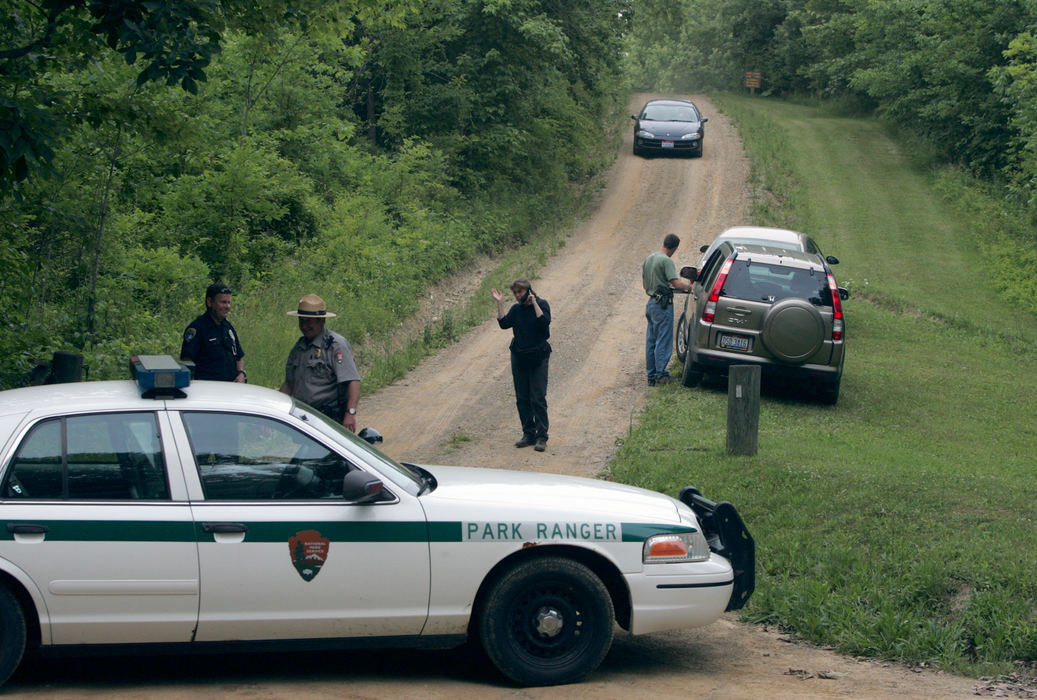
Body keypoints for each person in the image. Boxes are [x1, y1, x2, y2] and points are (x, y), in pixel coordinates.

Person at [278, 294, 361, 433]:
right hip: (304, 418)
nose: (304, 326)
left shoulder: (335, 345)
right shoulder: (299, 348)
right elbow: (289, 384)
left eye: (309, 321)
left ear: (321, 321)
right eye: (301, 321)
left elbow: (352, 380)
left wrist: (350, 413)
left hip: (329, 418)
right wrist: (276, 410)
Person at [492, 279, 551, 452]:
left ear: (529, 291)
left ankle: (542, 437)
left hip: (538, 356)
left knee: (538, 397)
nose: (518, 296)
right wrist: (500, 304)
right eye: (515, 293)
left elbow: (544, 323)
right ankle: (528, 434)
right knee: (522, 398)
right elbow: (504, 324)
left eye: (520, 292)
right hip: (519, 356)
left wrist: (534, 304)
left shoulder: (541, 304)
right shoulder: (516, 309)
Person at [642, 233, 692, 386]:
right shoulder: (666, 261)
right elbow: (676, 283)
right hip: (662, 306)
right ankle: (661, 374)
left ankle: (651, 375)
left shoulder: (649, 259)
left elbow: (645, 284)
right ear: (675, 247)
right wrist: (689, 287)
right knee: (663, 340)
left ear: (664, 243)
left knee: (651, 340)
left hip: (651, 303)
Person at [180, 282, 246, 382]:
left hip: (231, 389)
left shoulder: (228, 328)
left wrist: (241, 373)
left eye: (229, 303)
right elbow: (187, 362)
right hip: (208, 390)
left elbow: (239, 356)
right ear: (210, 302)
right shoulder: (197, 329)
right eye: (223, 302)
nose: (227, 306)